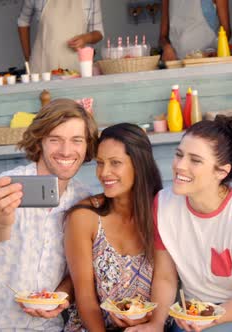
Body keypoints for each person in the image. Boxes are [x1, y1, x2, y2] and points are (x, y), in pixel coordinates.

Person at [128, 117, 232, 332]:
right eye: (179, 155)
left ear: (221, 171)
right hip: (192, 312)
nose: (180, 166)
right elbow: (165, 277)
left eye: (195, 160)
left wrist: (210, 319)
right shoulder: (163, 204)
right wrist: (156, 324)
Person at [0, 99, 99, 332]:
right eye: (55, 139)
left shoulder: (83, 199)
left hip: (48, 326)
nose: (66, 150)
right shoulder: (5, 187)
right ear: (40, 141)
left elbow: (78, 269)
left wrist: (62, 296)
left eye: (76, 140)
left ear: (87, 146)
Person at [63, 123, 163, 331]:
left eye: (115, 163)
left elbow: (169, 283)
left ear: (139, 165)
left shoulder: (163, 213)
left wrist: (152, 324)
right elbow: (85, 296)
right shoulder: (84, 217)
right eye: (100, 163)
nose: (104, 173)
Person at [17, 0, 104, 74]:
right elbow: (23, 21)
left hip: (76, 70)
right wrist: (28, 59)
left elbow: (98, 32)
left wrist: (86, 38)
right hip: (42, 69)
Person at [159, 0, 231, 61]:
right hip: (178, 64)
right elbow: (162, 36)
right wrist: (166, 47)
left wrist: (218, 51)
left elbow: (227, 31)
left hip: (208, 62)